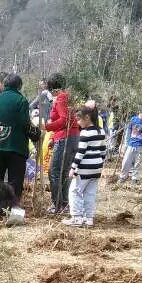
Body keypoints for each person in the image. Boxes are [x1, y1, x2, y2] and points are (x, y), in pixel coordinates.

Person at [0, 74, 30, 201]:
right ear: (19, 86)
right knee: (15, 183)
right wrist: (35, 134)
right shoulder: (21, 100)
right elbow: (25, 124)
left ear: (4, 85)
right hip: (15, 147)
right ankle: (12, 213)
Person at [63, 107, 107, 228]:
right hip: (97, 167)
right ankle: (89, 218)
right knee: (90, 193)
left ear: (87, 118)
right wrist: (100, 163)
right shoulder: (101, 131)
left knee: (74, 191)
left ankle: (76, 218)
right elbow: (103, 150)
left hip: (84, 168)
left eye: (79, 119)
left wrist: (73, 168)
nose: (77, 122)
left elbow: (80, 152)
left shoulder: (85, 133)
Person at [43, 73, 80, 213]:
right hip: (71, 137)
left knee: (54, 171)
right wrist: (53, 136)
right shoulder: (68, 96)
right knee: (64, 172)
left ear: (52, 88)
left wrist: (46, 127)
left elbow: (64, 120)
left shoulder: (61, 97)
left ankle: (57, 204)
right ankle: (64, 204)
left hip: (66, 138)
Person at [116, 107, 142, 187]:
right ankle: (123, 177)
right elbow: (128, 131)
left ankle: (135, 179)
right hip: (131, 144)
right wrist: (126, 143)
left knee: (138, 163)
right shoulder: (133, 119)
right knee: (126, 161)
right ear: (140, 114)